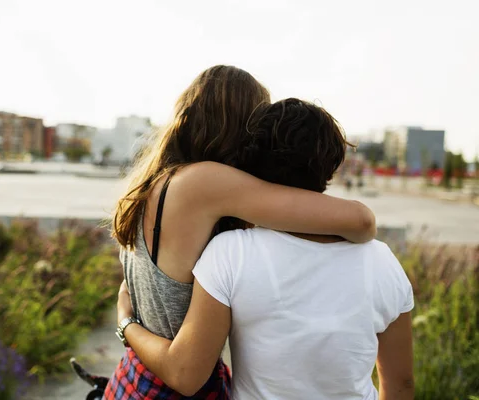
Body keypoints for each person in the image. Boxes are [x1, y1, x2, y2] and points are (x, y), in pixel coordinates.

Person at [105, 66, 377, 399]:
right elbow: (361, 221)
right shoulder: (204, 181)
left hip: (132, 380)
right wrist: (125, 324)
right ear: (240, 127)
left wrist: (128, 322)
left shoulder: (152, 184)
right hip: (172, 390)